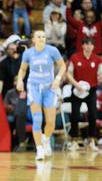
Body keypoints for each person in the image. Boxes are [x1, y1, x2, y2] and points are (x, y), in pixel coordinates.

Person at [16, 30, 66, 160]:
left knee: (51, 122)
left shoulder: (52, 50)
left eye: (44, 36)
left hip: (49, 87)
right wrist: (20, 80)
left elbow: (62, 65)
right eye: (39, 36)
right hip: (34, 87)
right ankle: (39, 150)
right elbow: (22, 69)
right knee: (37, 119)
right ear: (33, 39)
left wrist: (58, 78)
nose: (42, 38)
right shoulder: (28, 53)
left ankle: (46, 139)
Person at [66, 38, 102, 152]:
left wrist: (100, 77)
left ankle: (91, 141)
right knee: (75, 115)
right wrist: (76, 85)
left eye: (91, 44)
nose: (89, 46)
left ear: (93, 47)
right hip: (77, 90)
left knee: (92, 115)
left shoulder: (97, 59)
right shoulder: (75, 57)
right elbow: (69, 73)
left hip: (91, 90)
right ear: (82, 46)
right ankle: (74, 141)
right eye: (86, 44)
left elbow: (100, 73)